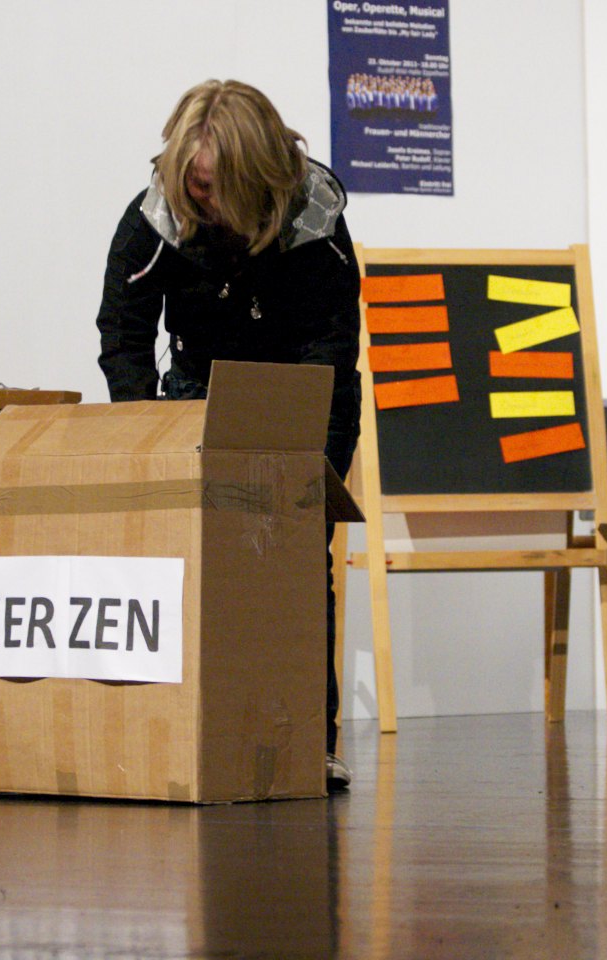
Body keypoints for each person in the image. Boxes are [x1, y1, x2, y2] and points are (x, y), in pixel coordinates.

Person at [95, 79, 361, 791]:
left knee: (296, 564)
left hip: (296, 394)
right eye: (190, 181)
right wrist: (146, 433)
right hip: (195, 394)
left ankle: (309, 744)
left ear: (252, 178)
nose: (198, 195)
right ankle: (190, 736)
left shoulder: (314, 219)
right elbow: (122, 334)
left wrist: (309, 464)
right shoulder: (156, 214)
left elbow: (332, 349)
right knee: (190, 566)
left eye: (211, 186)